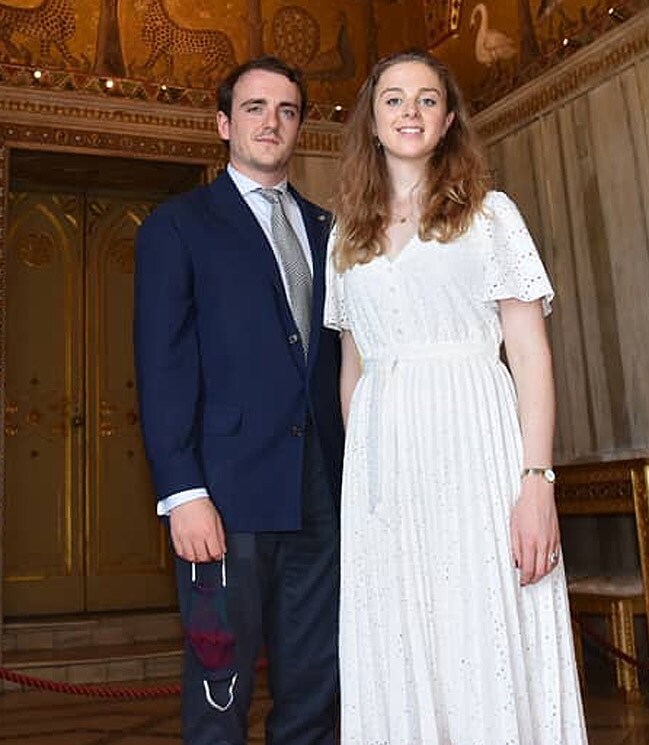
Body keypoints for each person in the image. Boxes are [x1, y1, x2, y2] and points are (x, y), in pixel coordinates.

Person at [324, 49, 587, 743]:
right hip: (385, 470)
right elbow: (353, 367)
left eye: (426, 99)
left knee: (479, 620)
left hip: (475, 447)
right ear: (371, 121)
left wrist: (536, 482)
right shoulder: (344, 235)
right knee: (400, 632)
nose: (409, 111)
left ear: (446, 122)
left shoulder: (490, 215)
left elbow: (530, 353)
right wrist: (369, 472)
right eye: (393, 99)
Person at [134, 56, 343, 745]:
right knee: (219, 692)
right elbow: (160, 365)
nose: (270, 122)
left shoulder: (330, 230)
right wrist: (182, 490)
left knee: (313, 684)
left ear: (299, 127)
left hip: (319, 492)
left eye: (285, 110)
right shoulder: (179, 225)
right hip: (221, 498)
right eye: (253, 107)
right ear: (224, 124)